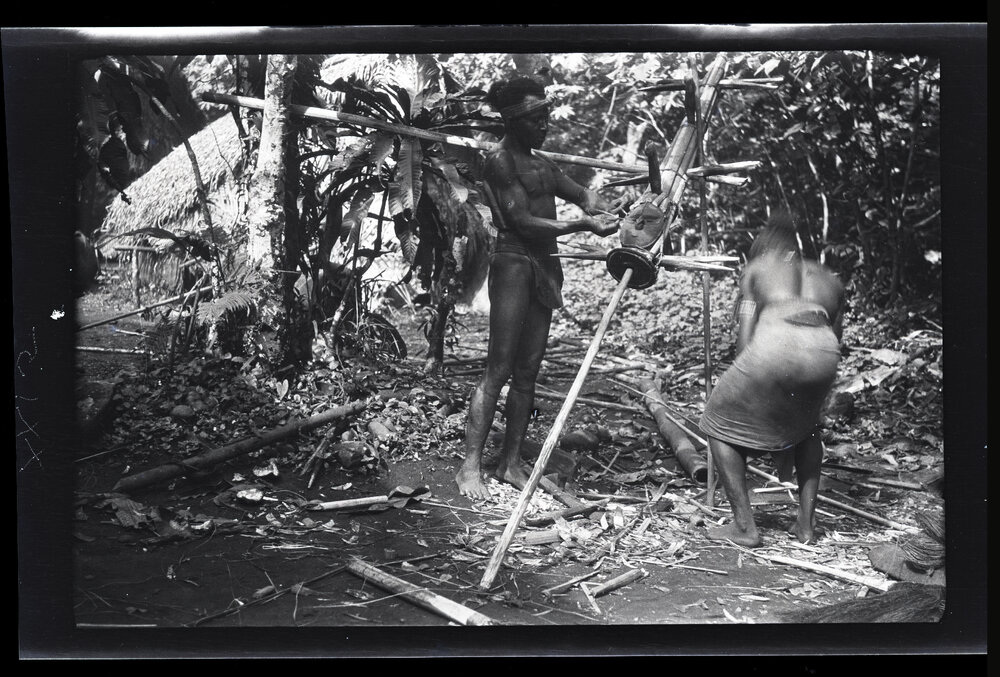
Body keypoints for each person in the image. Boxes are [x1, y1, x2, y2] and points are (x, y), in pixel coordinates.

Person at [455, 76, 619, 500]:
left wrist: (612, 206)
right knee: (499, 368)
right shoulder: (501, 161)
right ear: (512, 120)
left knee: (528, 369)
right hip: (512, 263)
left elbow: (585, 196)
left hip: (546, 266)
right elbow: (522, 222)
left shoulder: (544, 164)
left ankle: (510, 462)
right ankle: (469, 467)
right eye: (535, 118)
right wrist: (584, 224)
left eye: (546, 115)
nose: (544, 124)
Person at [699, 212, 845, 546]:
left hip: (774, 345)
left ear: (766, 245)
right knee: (808, 428)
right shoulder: (828, 277)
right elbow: (836, 335)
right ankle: (806, 528)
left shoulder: (758, 269)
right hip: (823, 350)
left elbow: (745, 337)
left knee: (716, 423)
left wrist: (743, 380)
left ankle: (745, 528)